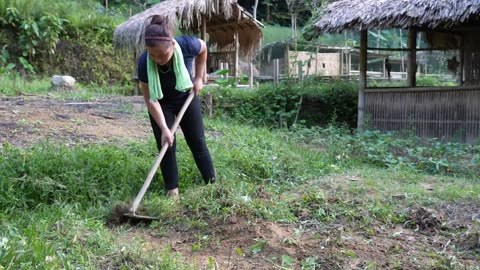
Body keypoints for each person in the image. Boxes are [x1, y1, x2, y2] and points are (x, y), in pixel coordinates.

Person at [137, 15, 215, 199]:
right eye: (153, 55)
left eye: (162, 55)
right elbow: (150, 100)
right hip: (161, 102)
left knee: (197, 142)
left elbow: (203, 48)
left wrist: (198, 77)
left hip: (186, 96)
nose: (158, 59)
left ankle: (213, 184)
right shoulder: (143, 63)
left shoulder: (186, 45)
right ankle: (172, 192)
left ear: (172, 44)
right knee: (166, 145)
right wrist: (164, 128)